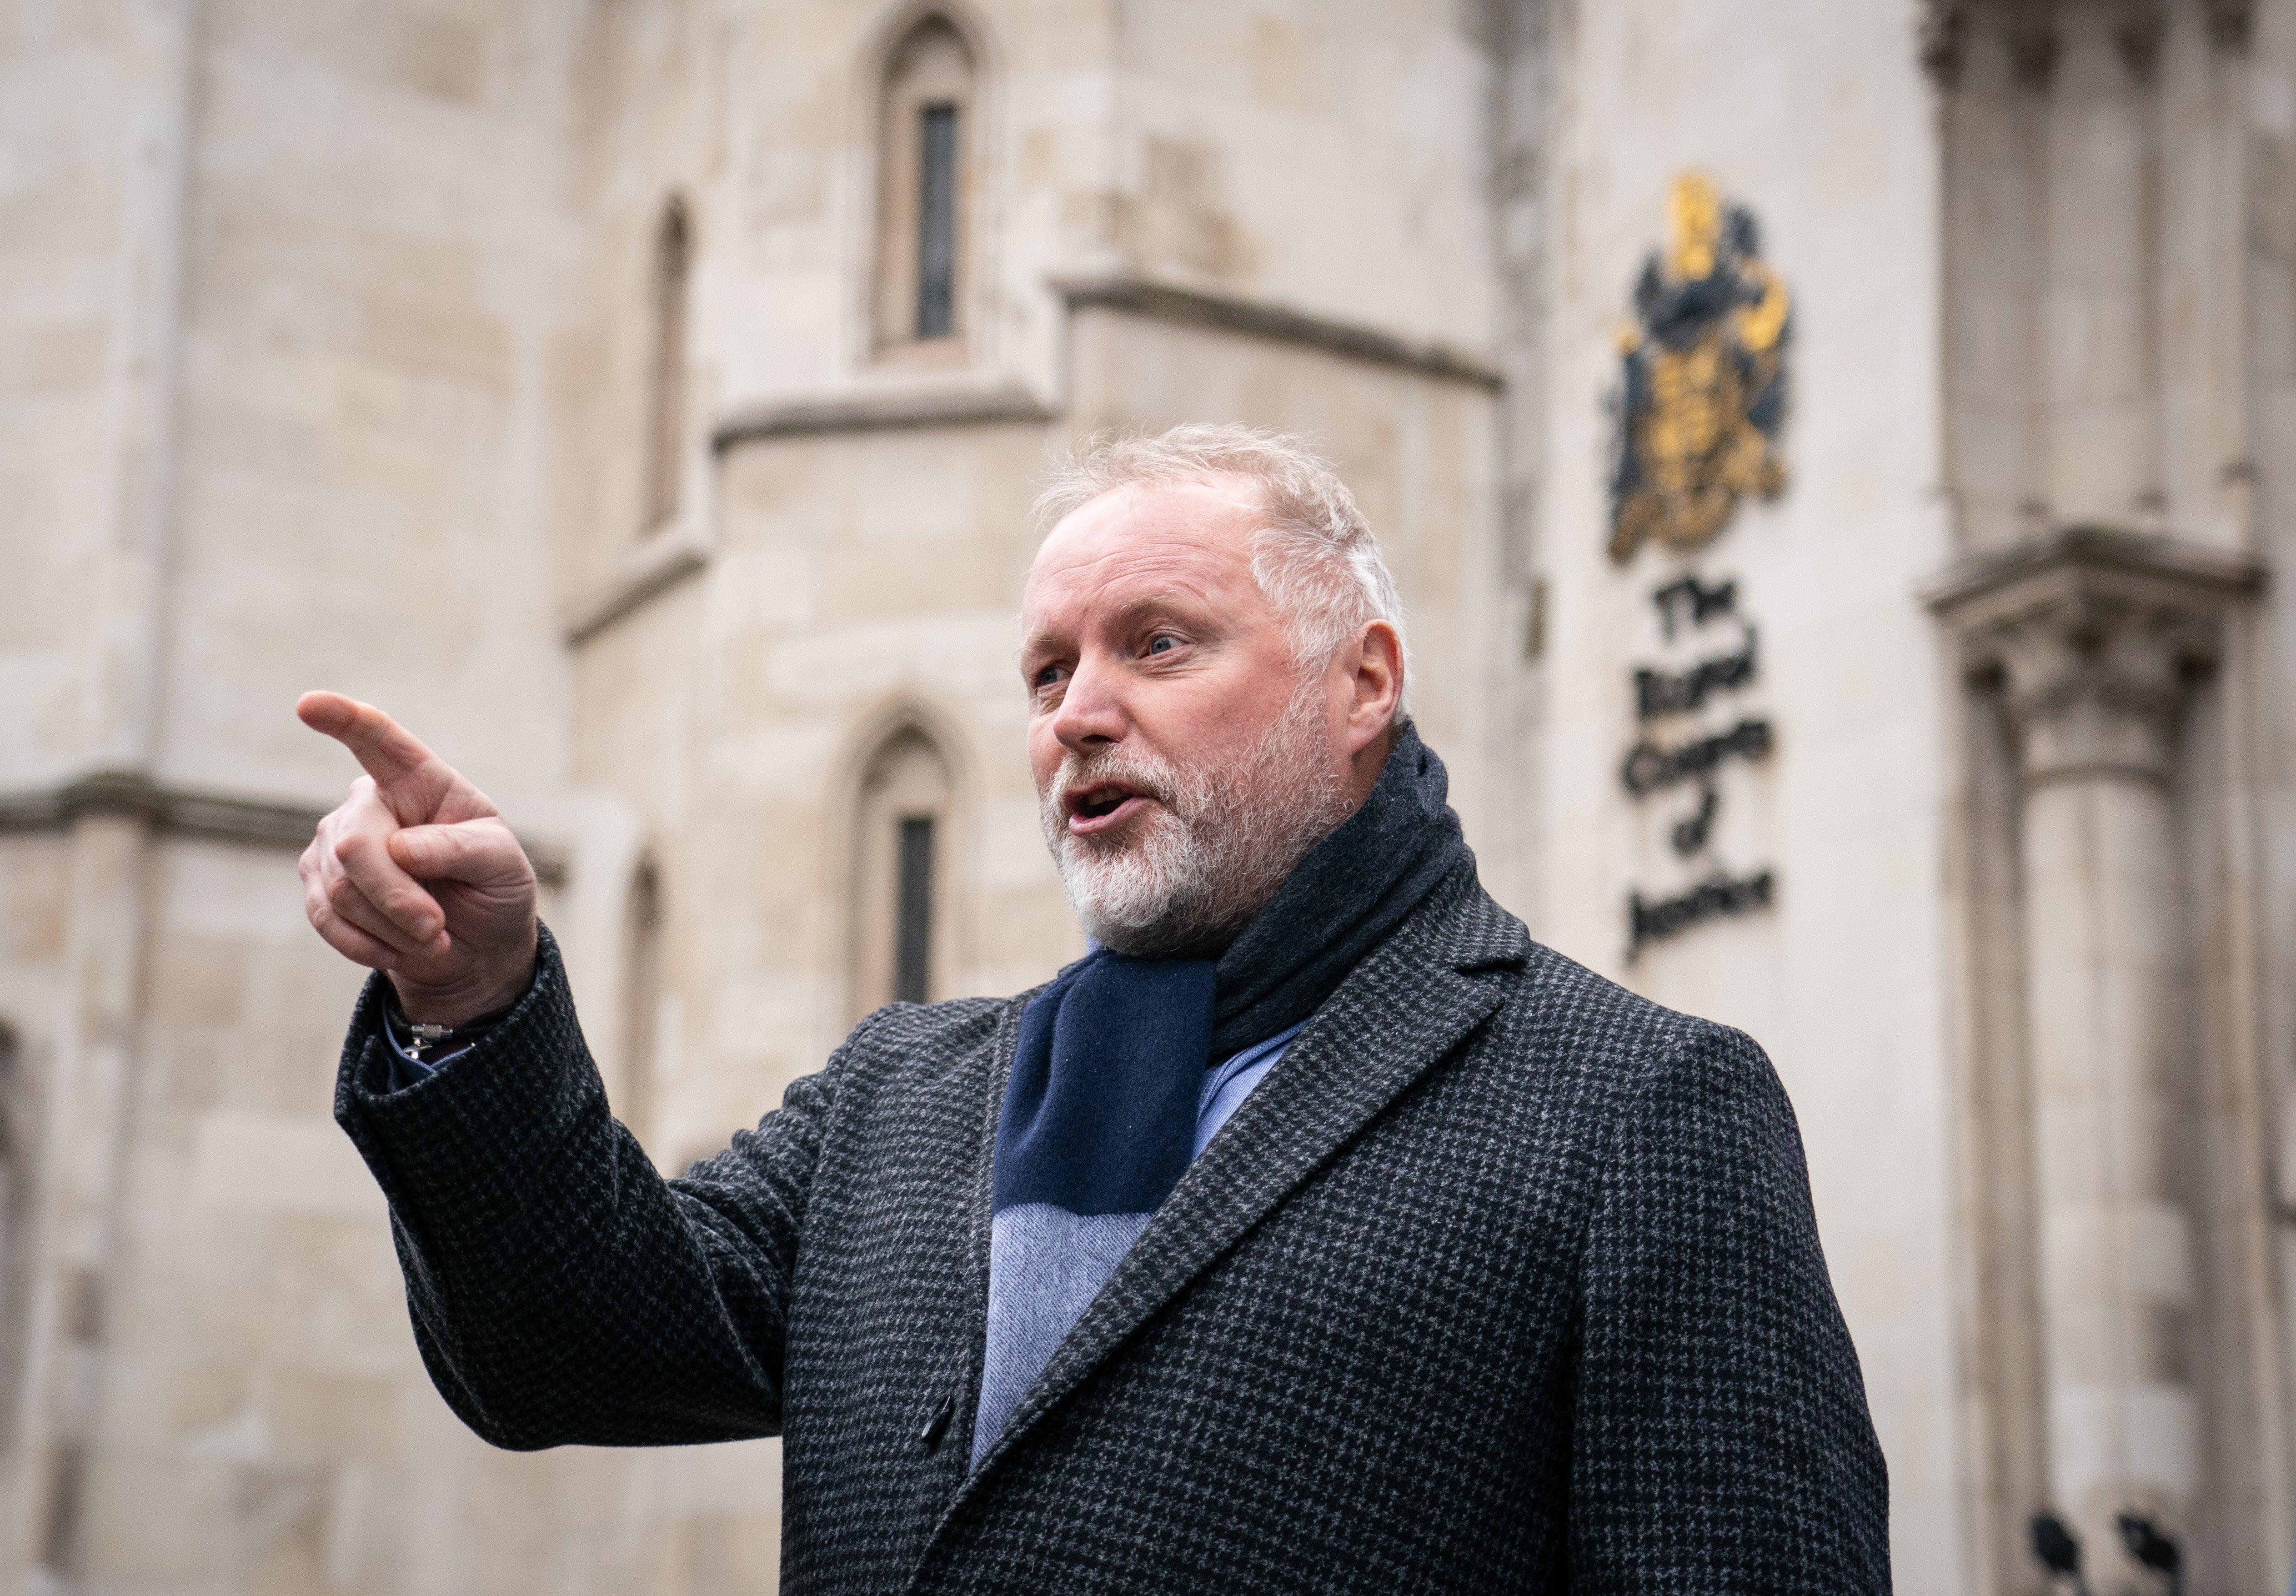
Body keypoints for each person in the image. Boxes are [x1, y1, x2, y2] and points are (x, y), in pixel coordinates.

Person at [298, 425, 1889, 1592]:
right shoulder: (906, 1092)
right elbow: (570, 1351)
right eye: (1046, 673)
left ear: (1363, 683)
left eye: (1157, 644)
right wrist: (474, 996)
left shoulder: (1635, 1106)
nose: (1080, 716)